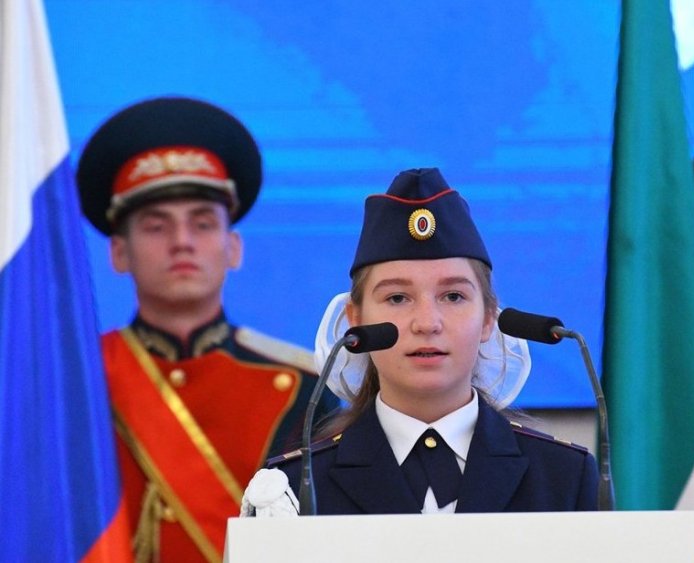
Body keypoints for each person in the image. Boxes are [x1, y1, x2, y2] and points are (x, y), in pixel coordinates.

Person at [245, 167, 598, 516]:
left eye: (453, 296)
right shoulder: (294, 488)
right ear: (355, 319)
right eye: (397, 298)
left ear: (489, 318)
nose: (427, 323)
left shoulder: (563, 477)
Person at [75, 96, 339, 562]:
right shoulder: (73, 383)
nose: (182, 242)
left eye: (201, 223)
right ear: (118, 252)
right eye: (156, 226)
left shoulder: (306, 388)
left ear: (233, 247)